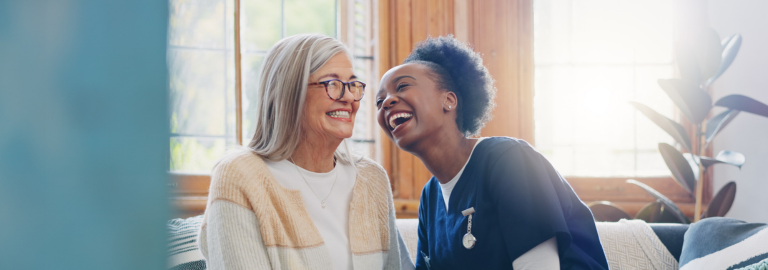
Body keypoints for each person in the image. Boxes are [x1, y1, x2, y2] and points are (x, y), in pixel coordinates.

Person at [375, 36, 609, 269]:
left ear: (449, 100)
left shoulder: (509, 159)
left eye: (402, 86)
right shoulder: (430, 197)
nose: (386, 102)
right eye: (379, 101)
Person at [199, 34, 412, 270]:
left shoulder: (373, 179)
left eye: (353, 85)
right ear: (289, 93)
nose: (350, 97)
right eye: (332, 84)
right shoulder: (239, 176)